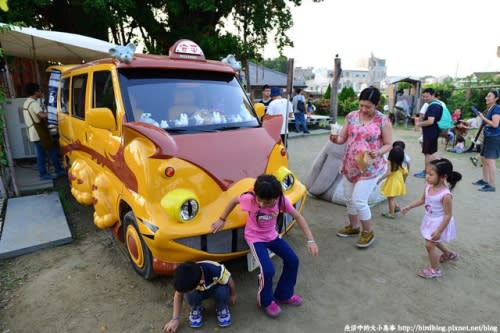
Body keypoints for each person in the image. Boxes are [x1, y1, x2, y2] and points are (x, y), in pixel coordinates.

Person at [211, 174, 319, 318]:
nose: (262, 204)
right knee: (268, 271)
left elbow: (298, 217)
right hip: (255, 238)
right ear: (255, 194)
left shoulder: (281, 201)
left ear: (276, 197)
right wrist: (221, 219)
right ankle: (265, 301)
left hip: (272, 236)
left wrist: (310, 240)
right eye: (259, 200)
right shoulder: (249, 198)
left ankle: (283, 295)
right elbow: (233, 201)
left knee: (293, 260)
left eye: (267, 202)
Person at [329, 86, 393, 248]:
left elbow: (389, 144)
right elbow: (343, 137)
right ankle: (354, 227)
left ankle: (368, 232)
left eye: (368, 107)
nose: (363, 110)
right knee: (349, 198)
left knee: (359, 200)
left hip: (370, 166)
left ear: (377, 104)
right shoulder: (351, 116)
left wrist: (378, 152)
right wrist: (335, 139)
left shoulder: (383, 120)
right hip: (350, 164)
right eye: (361, 105)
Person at [401, 158, 462, 279]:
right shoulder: (428, 186)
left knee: (429, 245)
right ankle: (448, 254)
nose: (427, 177)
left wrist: (439, 231)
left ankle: (435, 270)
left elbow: (447, 215)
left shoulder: (446, 195)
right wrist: (409, 206)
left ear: (443, 177)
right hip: (430, 219)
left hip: (440, 222)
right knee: (433, 241)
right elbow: (422, 200)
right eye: (427, 173)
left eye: (431, 174)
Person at [163, 260, 237, 332]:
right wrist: (175, 319)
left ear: (199, 282)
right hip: (200, 291)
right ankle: (196, 308)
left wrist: (233, 295)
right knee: (190, 295)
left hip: (216, 288)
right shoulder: (186, 277)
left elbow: (229, 280)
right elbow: (178, 294)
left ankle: (221, 307)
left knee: (222, 291)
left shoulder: (215, 270)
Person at [23, 82, 65, 181]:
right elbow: (42, 115)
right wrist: (56, 114)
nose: (41, 92)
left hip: (34, 133)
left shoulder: (27, 102)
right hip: (39, 133)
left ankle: (54, 170)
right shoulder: (33, 103)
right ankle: (48, 173)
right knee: (47, 153)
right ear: (35, 92)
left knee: (45, 153)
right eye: (39, 91)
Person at [471, 89, 500, 192]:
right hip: (488, 136)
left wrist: (483, 117)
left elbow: (495, 124)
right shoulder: (490, 108)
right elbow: (488, 123)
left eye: (489, 96)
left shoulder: (496, 108)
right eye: (487, 96)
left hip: (494, 137)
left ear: (496, 98)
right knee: (483, 158)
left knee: (490, 160)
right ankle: (485, 180)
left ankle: (492, 185)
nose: (486, 98)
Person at [414, 88, 442, 178]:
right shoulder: (438, 104)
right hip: (433, 131)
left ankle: (427, 172)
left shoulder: (433, 106)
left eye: (427, 96)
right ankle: (432, 170)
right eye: (423, 96)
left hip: (430, 132)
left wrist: (418, 124)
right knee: (430, 152)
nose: (425, 98)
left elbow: (430, 121)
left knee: (428, 153)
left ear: (433, 95)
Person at [378, 146, 407, 219]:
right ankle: (396, 207)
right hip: (399, 182)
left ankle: (391, 213)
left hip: (392, 183)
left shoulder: (390, 162)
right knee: (392, 197)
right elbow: (405, 172)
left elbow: (388, 173)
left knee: (390, 198)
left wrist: (380, 179)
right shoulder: (401, 163)